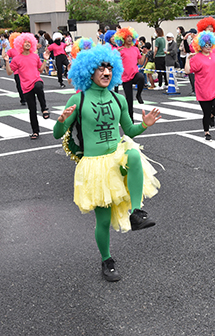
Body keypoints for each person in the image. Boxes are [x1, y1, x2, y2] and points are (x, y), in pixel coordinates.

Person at [53, 44, 161, 282]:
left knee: (133, 154)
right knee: (102, 220)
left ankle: (136, 212)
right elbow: (57, 134)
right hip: (95, 164)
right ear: (89, 71)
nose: (106, 72)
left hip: (117, 156)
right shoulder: (77, 99)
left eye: (110, 67)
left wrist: (145, 125)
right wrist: (61, 120)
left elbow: (129, 130)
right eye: (101, 67)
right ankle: (107, 260)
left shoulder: (118, 98)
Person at [3, 33, 49, 140]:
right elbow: (10, 72)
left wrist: (45, 60)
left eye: (29, 42)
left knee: (38, 86)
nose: (27, 44)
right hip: (26, 86)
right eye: (25, 42)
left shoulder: (35, 56)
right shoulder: (16, 59)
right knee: (32, 110)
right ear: (20, 44)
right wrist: (6, 61)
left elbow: (40, 70)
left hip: (36, 80)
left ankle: (44, 108)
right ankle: (35, 131)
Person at [184, 31, 215, 141]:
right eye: (205, 44)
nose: (208, 46)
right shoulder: (197, 58)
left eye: (210, 44)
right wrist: (188, 59)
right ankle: (206, 131)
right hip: (203, 89)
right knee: (205, 112)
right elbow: (187, 71)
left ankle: (212, 116)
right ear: (200, 45)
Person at [114, 27, 145, 120]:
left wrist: (144, 54)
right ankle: (130, 119)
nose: (129, 38)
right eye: (127, 37)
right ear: (122, 38)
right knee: (129, 101)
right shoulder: (120, 50)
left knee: (141, 78)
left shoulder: (135, 49)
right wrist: (116, 53)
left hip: (135, 74)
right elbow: (113, 61)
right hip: (125, 77)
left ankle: (139, 94)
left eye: (131, 36)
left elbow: (140, 62)